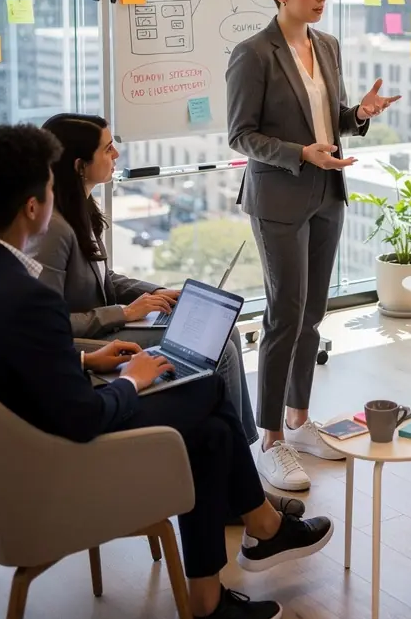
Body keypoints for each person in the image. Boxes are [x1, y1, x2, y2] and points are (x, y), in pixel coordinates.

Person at [0, 123, 333, 619]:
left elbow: (24, 366)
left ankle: (210, 604)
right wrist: (130, 379)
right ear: (33, 207)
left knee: (211, 432)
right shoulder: (27, 297)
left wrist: (88, 358)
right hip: (55, 470)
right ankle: (260, 524)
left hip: (10, 469)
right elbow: (82, 418)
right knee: (207, 390)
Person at [226, 0, 399, 492]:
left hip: (328, 191)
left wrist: (360, 116)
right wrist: (300, 153)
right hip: (279, 196)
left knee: (313, 313)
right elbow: (240, 136)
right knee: (285, 314)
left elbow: (332, 119)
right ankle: (269, 439)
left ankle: (299, 421)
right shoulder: (252, 54)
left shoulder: (327, 45)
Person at [34, 114, 269, 476]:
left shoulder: (81, 210)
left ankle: (238, 466)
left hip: (106, 326)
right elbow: (49, 327)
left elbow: (104, 277)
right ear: (80, 165)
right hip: (91, 341)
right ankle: (239, 472)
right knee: (218, 344)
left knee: (227, 331)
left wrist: (156, 292)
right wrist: (123, 314)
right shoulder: (54, 231)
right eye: (107, 147)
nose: (116, 153)